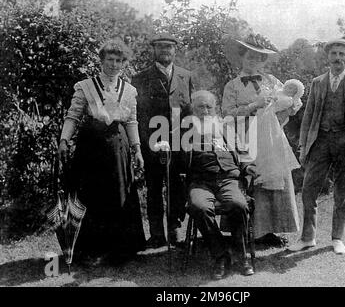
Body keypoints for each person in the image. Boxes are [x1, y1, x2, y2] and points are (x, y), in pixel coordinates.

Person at [58, 39, 146, 264]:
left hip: (118, 145)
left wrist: (137, 149)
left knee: (118, 193)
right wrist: (64, 140)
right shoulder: (86, 86)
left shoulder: (129, 90)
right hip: (91, 146)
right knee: (91, 195)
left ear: (123, 63)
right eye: (110, 60)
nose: (114, 64)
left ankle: (120, 249)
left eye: (119, 61)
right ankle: (90, 250)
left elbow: (131, 121)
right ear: (101, 60)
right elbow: (73, 115)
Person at [289, 38, 345, 254]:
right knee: (309, 190)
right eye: (334, 54)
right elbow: (309, 116)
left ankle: (337, 238)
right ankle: (307, 237)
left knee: (342, 191)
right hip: (320, 142)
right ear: (328, 57)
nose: (338, 58)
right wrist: (303, 146)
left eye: (342, 54)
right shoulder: (317, 82)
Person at [222, 34, 302, 247]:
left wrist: (291, 104)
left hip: (271, 138)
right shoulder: (233, 85)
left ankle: (269, 231)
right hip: (244, 138)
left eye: (258, 58)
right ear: (242, 57)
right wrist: (252, 106)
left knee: (274, 180)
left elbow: (286, 103)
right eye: (249, 56)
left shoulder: (272, 81)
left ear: (263, 61)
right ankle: (247, 231)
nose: (253, 61)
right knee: (251, 181)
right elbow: (227, 115)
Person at [181, 90, 257, 279]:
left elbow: (243, 154)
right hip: (200, 182)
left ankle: (241, 254)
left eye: (209, 107)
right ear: (193, 109)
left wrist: (247, 168)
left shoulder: (226, 129)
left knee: (238, 205)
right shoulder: (183, 131)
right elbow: (177, 163)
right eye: (200, 107)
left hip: (228, 178)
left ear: (215, 109)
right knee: (199, 207)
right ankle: (221, 256)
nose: (205, 111)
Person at [132, 33, 194, 248]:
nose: (165, 50)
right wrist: (148, 143)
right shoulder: (140, 78)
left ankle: (175, 229)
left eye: (169, 47)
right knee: (154, 188)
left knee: (177, 186)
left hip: (179, 142)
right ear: (154, 50)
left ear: (175, 50)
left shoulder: (186, 76)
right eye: (160, 47)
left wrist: (188, 141)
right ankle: (157, 234)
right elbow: (139, 116)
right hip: (153, 143)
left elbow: (190, 112)